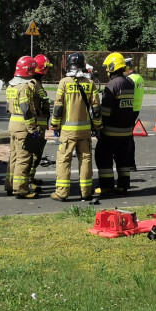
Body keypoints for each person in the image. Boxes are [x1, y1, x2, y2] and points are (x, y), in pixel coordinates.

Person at [50, 52, 100, 201]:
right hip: (84, 131)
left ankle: (62, 193)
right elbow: (96, 109)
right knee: (85, 159)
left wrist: (55, 125)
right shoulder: (90, 84)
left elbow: (58, 107)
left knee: (64, 160)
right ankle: (86, 192)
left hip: (67, 131)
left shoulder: (64, 82)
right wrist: (97, 127)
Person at [95, 52, 137, 196]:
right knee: (123, 159)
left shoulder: (112, 85)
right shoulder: (129, 83)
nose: (106, 70)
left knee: (103, 157)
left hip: (111, 131)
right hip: (126, 130)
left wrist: (97, 119)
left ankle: (106, 187)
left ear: (113, 66)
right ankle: (123, 186)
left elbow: (106, 111)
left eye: (107, 67)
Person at [5, 55, 43, 198]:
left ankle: (10, 185)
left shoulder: (10, 85)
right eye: (32, 70)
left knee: (13, 156)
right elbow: (26, 109)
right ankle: (21, 190)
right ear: (28, 70)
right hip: (22, 124)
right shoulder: (24, 87)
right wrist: (32, 128)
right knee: (23, 157)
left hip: (12, 122)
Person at [26, 54, 53, 189]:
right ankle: (28, 180)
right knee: (33, 153)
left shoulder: (38, 84)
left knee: (37, 153)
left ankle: (31, 178)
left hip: (41, 125)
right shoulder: (32, 85)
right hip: (36, 126)